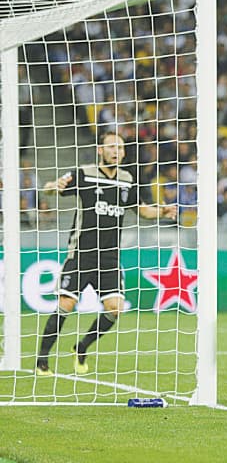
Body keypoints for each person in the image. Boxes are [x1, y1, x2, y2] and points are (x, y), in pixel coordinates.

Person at [36, 132, 177, 375]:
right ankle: (42, 359)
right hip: (81, 253)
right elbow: (51, 189)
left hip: (110, 258)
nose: (116, 151)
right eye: (111, 146)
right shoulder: (84, 174)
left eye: (119, 147)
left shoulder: (127, 180)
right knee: (66, 304)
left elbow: (141, 210)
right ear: (100, 150)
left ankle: (81, 347)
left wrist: (161, 212)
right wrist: (53, 186)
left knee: (115, 308)